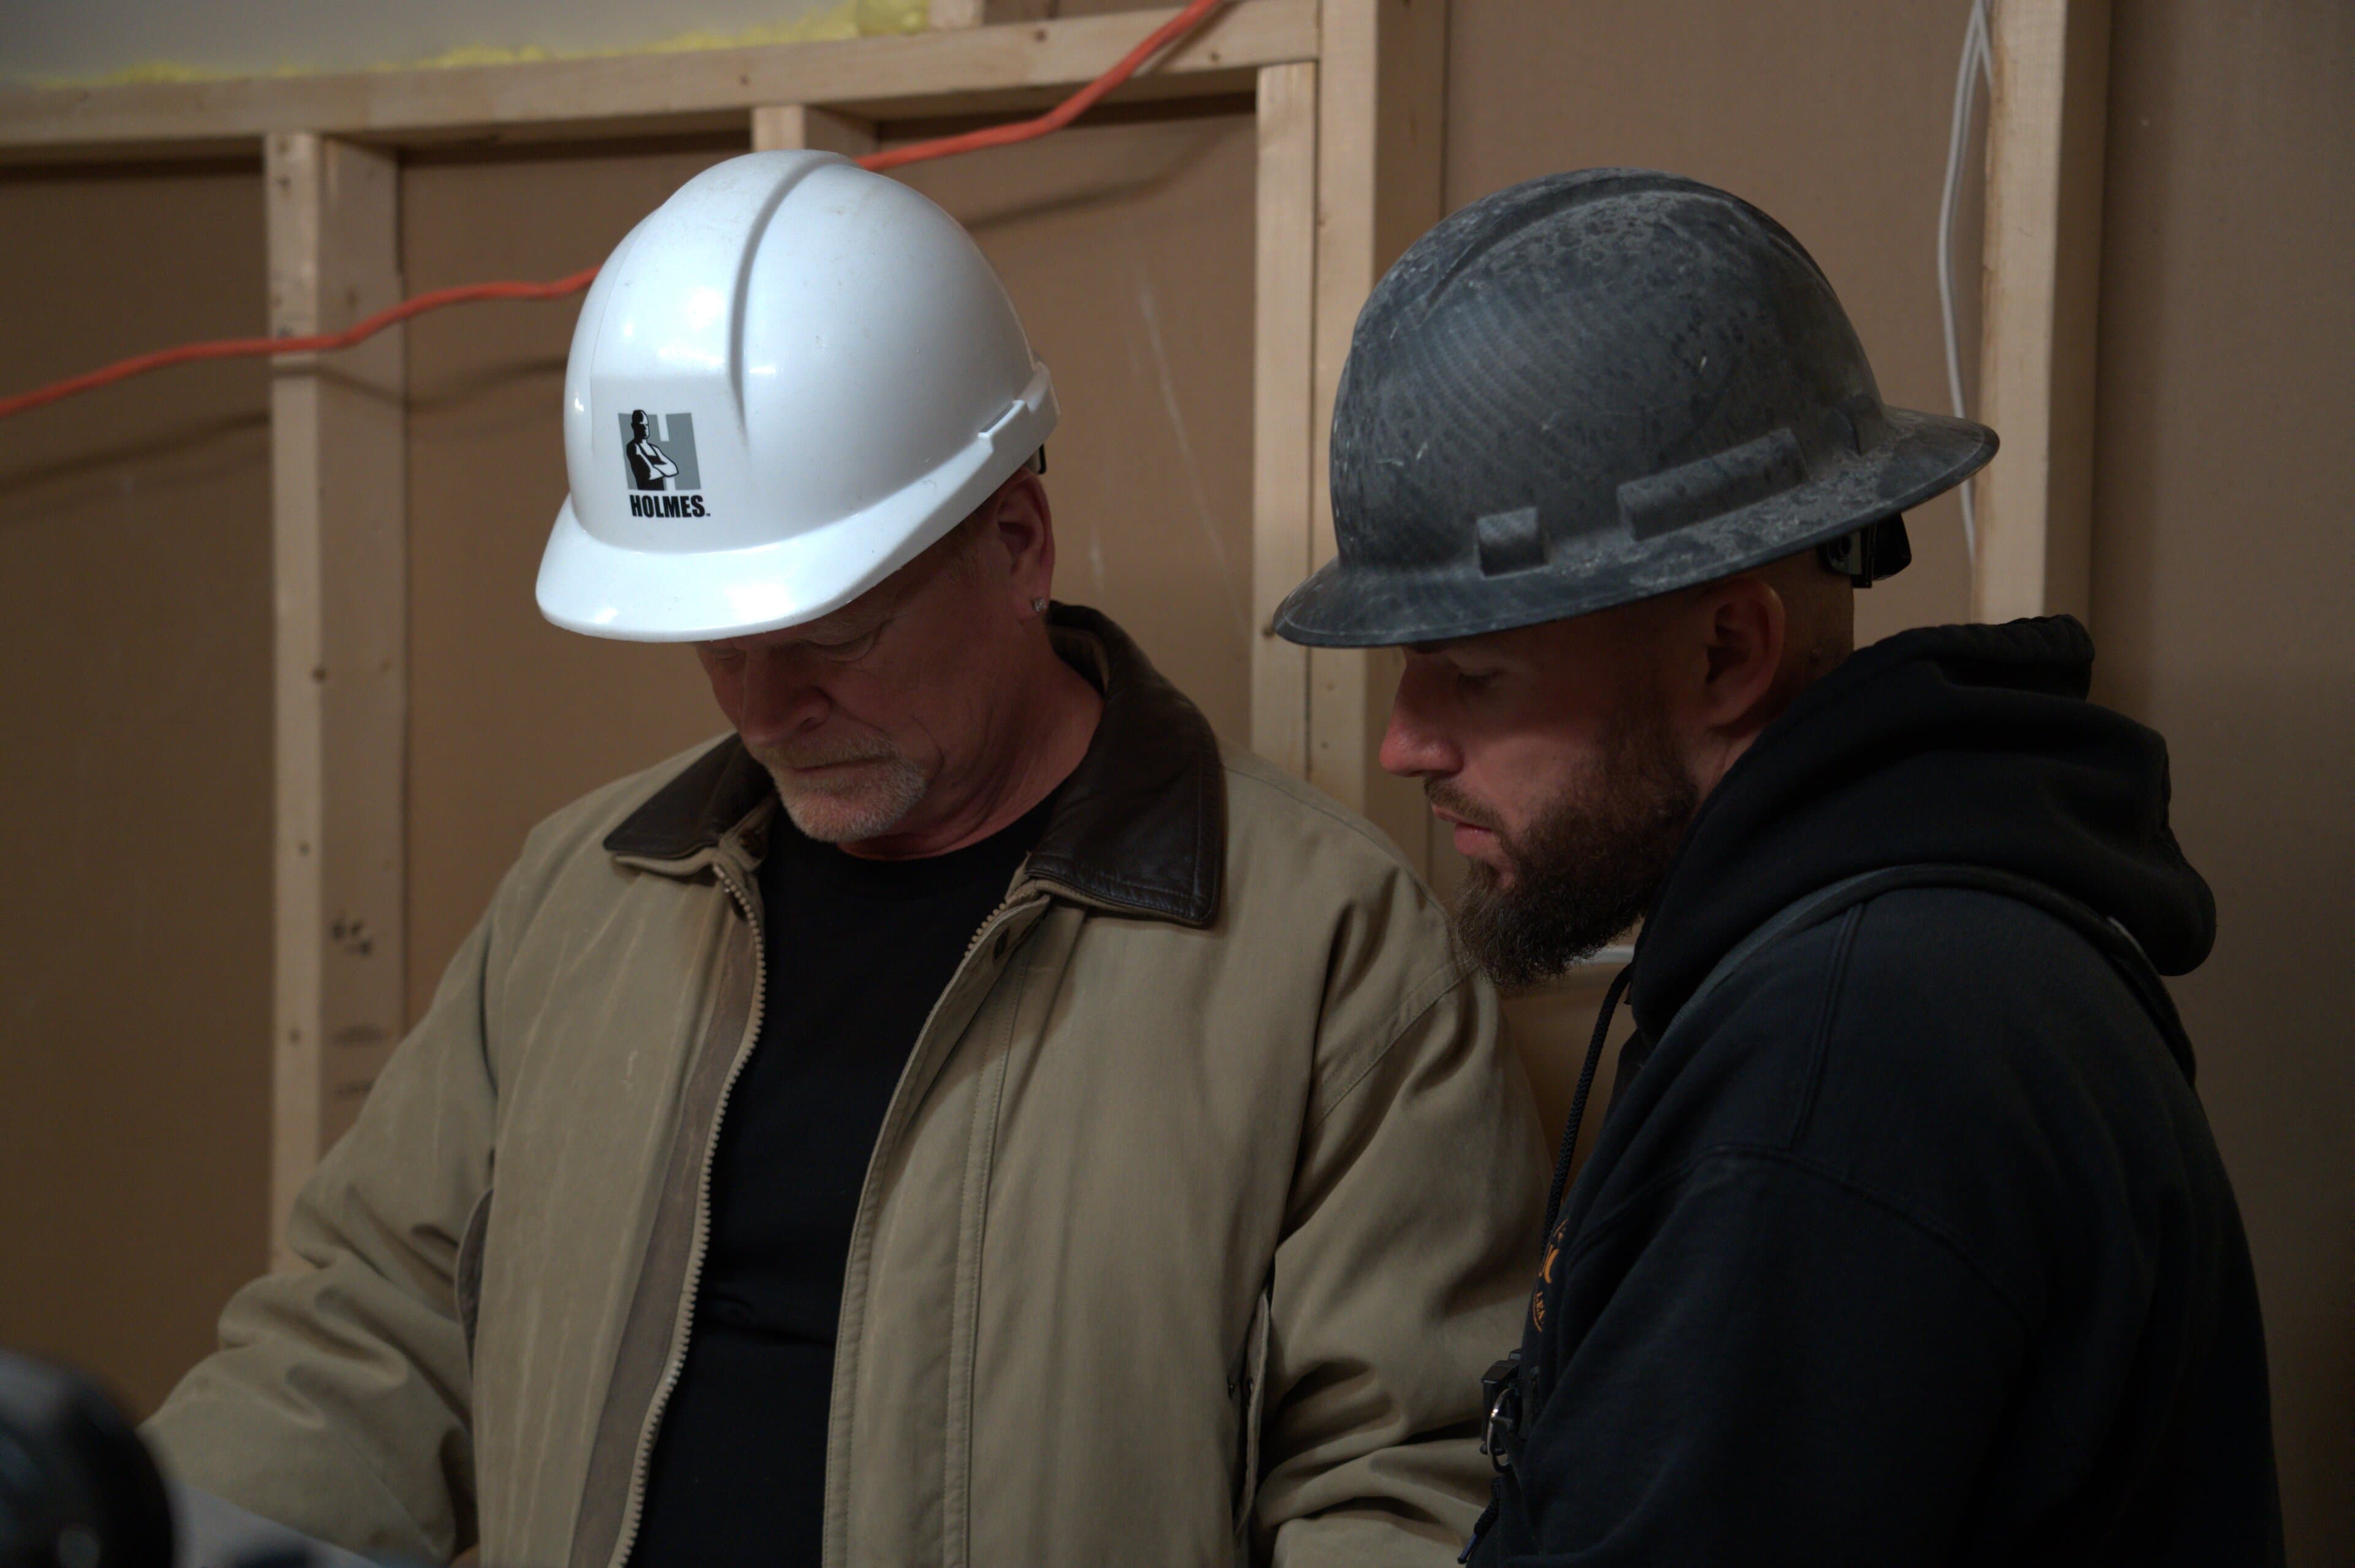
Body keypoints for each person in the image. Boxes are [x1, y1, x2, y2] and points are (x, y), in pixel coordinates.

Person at [145, 151, 1547, 1567]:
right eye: (716, 638)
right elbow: (362, 1338)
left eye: (829, 635)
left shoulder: (1327, 959)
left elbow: (1402, 1489)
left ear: (1016, 544)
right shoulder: (583, 898)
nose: (760, 707)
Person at [1273, 169, 2283, 1566]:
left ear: (1726, 652)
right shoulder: (1879, 972)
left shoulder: (1852, 1064)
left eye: (1475, 676)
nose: (1403, 744)